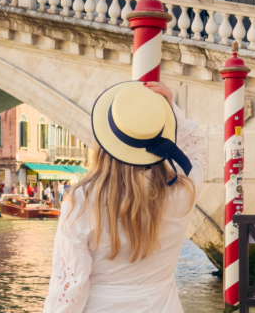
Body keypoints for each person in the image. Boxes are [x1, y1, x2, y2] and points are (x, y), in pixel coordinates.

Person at [41, 81, 205, 312]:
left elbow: (69, 290)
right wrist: (170, 109)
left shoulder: (81, 201)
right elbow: (195, 148)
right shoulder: (184, 190)